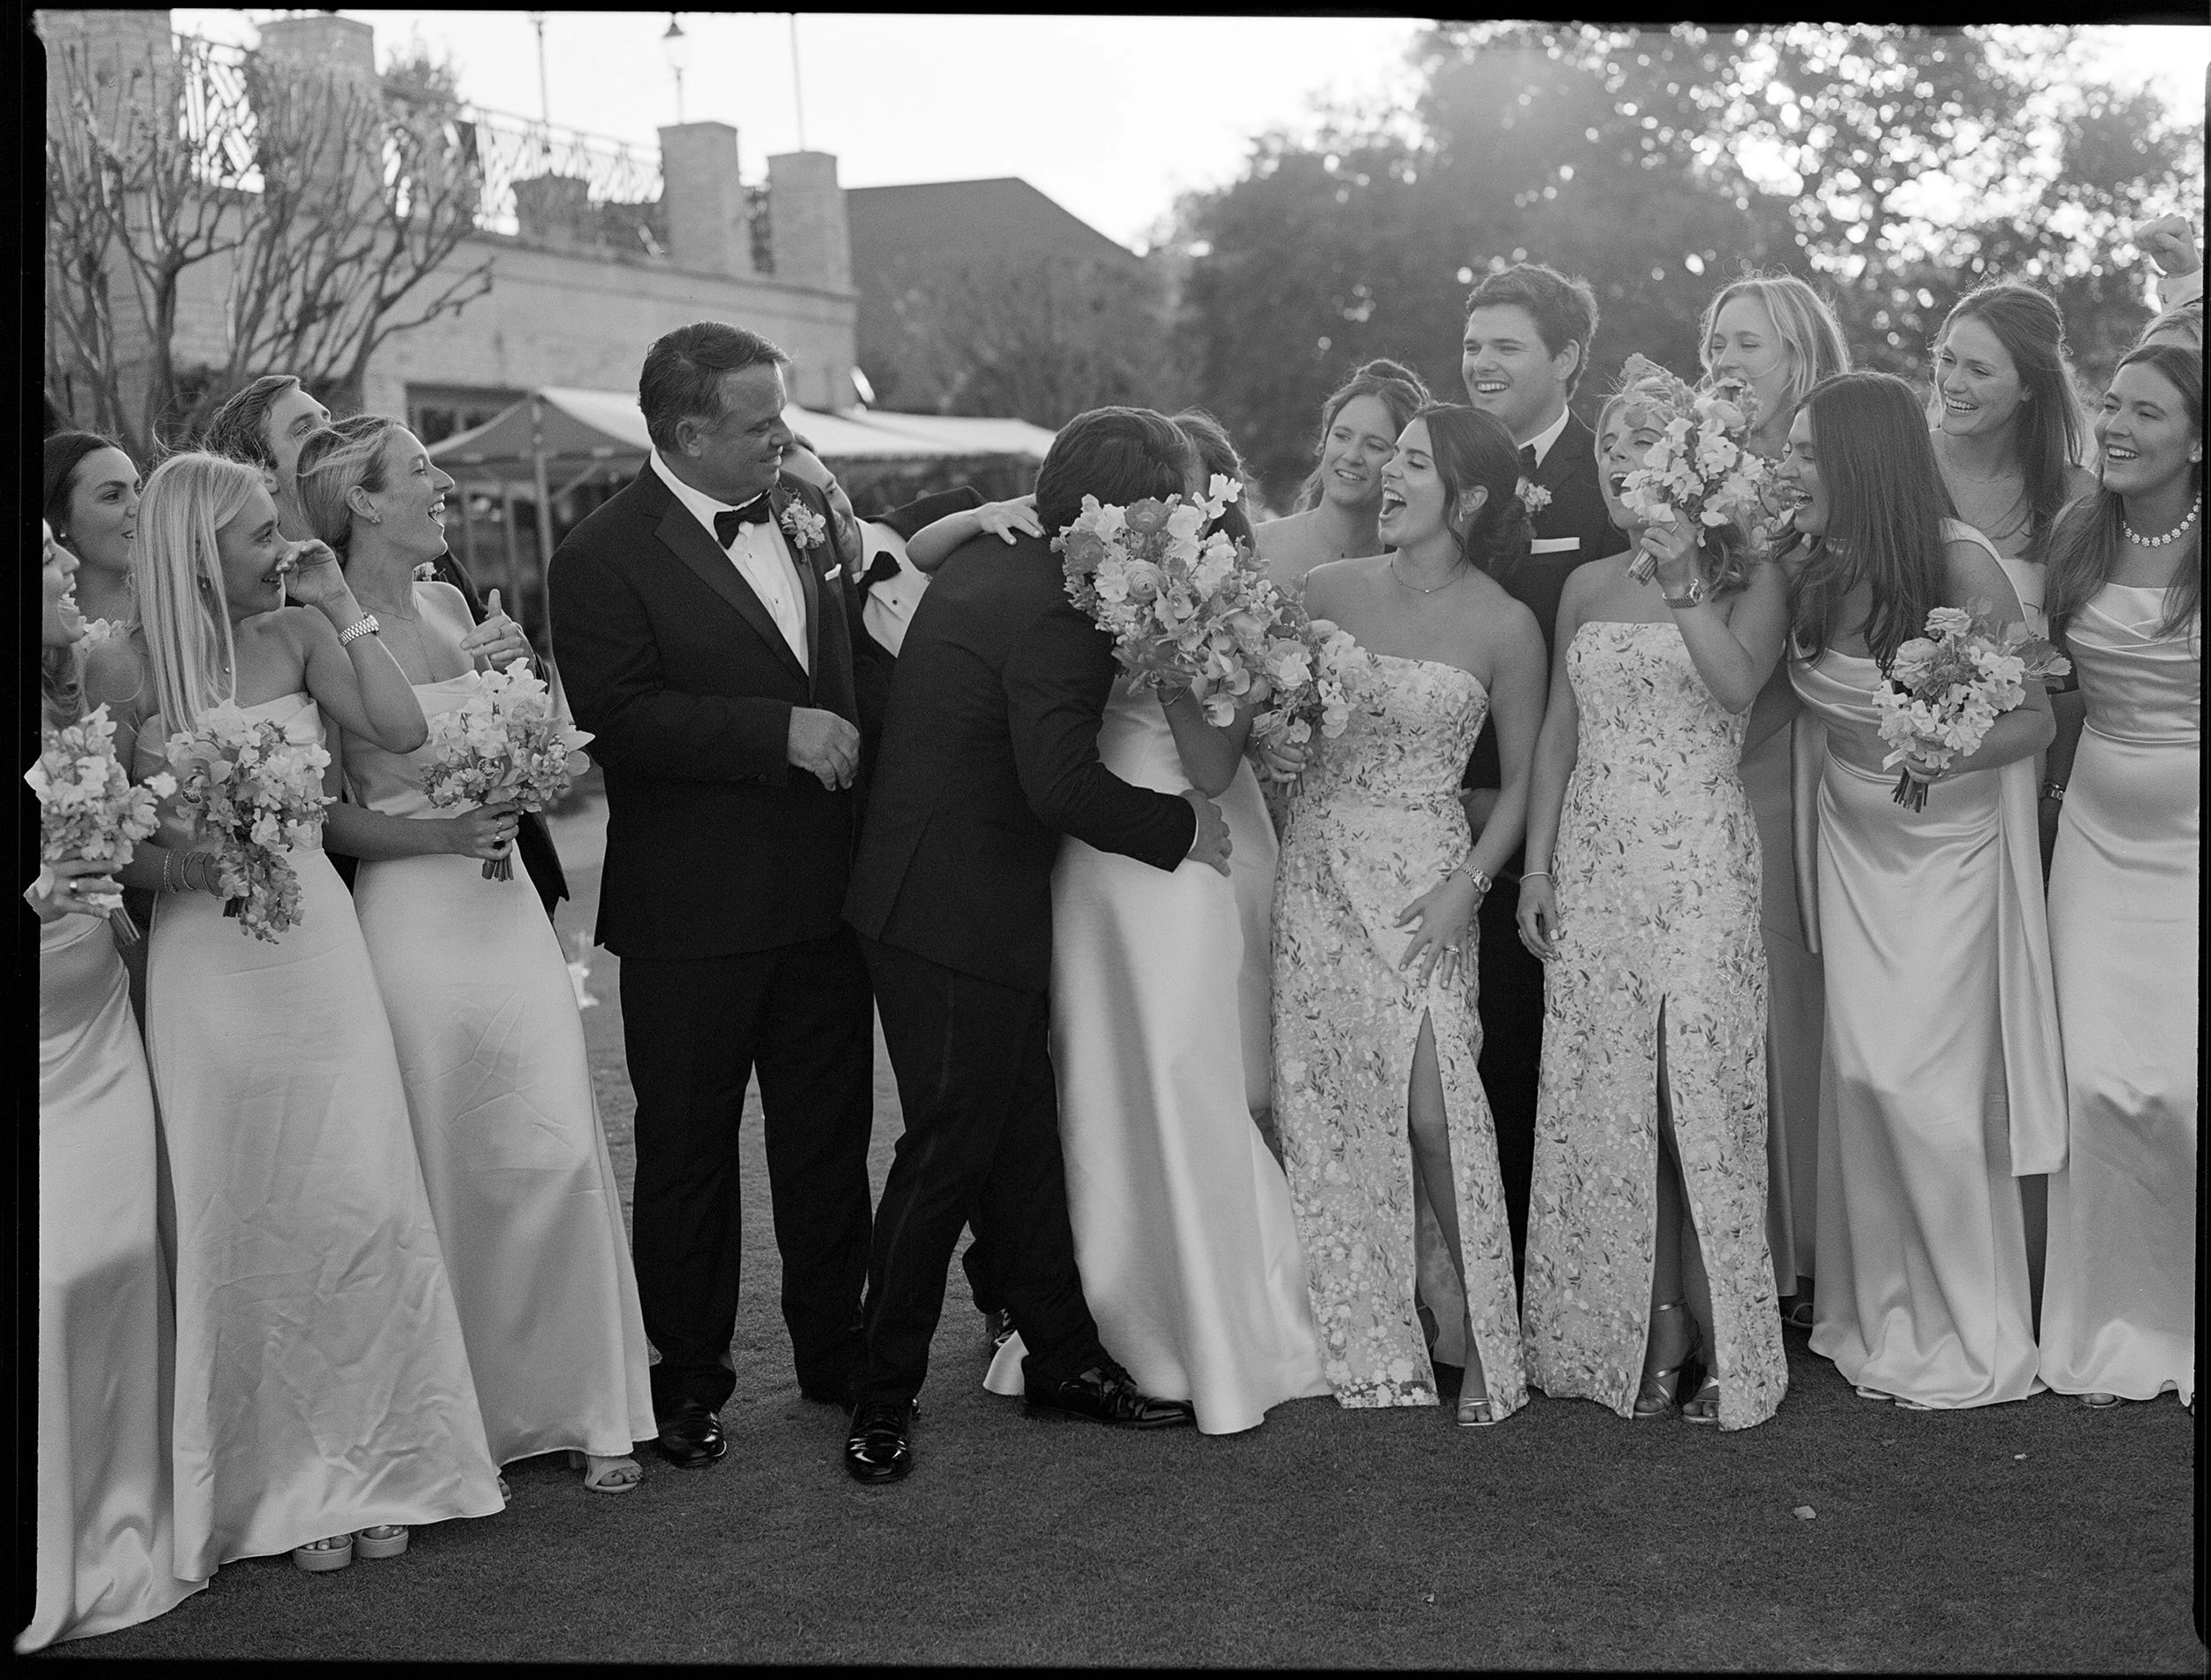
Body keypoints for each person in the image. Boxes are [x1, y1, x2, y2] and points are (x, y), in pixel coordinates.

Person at [90, 451, 502, 1573]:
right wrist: (190, 865)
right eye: (258, 533)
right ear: (196, 551)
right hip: (208, 971)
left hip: (319, 953)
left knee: (358, 1197)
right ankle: (269, 1481)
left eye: (279, 525)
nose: (281, 545)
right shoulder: (123, 670)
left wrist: (334, 603)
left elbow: (404, 734)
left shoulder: (300, 633)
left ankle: (386, 1462)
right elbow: (105, 846)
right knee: (242, 1213)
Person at [842, 406, 1228, 1483]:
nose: (1178, 519)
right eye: (1171, 500)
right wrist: (1182, 830)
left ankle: (1063, 1359)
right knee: (947, 1154)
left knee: (1018, 1143)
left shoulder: (1004, 557)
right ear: (1125, 505)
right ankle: (881, 1397)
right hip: (945, 912)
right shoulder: (1057, 604)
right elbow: (1056, 781)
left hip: (945, 899)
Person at [299, 416, 656, 1494]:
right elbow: (326, 814)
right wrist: (442, 836)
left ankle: (589, 1401)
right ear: (362, 500)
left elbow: (545, 759)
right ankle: (464, 1427)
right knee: (446, 1159)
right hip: (412, 916)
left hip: (507, 918)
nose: (442, 481)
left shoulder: (458, 604)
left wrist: (528, 680)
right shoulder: (313, 622)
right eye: (420, 471)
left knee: (550, 1146)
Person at [547, 322, 876, 1470]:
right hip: (692, 912)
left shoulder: (803, 515)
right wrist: (776, 732)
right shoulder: (598, 556)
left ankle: (840, 1354)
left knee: (829, 1140)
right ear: (688, 433)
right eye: (762, 423)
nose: (785, 440)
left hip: (826, 897)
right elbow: (619, 719)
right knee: (687, 1151)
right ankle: (686, 1383)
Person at [975, 410, 1331, 1434]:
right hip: (1095, 858)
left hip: (1181, 852)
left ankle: (1215, 1323)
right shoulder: (1088, 573)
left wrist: (1172, 643)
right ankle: (1090, 1329)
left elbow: (1217, 765)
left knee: (1183, 1076)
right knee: (1095, 1078)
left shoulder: (1217, 599)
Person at [1781, 371, 2063, 1411]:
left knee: (1928, 1093)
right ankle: (1882, 1309)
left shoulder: (1956, 563)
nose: (1789, 467)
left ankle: (1968, 1326)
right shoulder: (1807, 566)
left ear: (1860, 461)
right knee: (1860, 1079)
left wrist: (1943, 749)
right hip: (1850, 848)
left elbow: (2031, 720)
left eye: (1809, 452)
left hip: (1946, 856)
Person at [1515, 378, 1790, 1430]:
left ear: (1689, 457)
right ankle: (1650, 1325)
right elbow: (1554, 738)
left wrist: (1682, 581)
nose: (1619, 451)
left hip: (1699, 860)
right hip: (1594, 860)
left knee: (1700, 1100)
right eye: (1608, 441)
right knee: (1615, 1103)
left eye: (1644, 435)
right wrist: (1537, 869)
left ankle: (1730, 1331)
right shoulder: (1583, 585)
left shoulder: (1750, 572)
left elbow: (1736, 688)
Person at [1270, 403, 1547, 1424]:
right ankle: (1366, 1328)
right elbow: (1280, 725)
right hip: (1319, 871)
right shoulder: (1323, 590)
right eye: (1390, 456)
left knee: (1435, 1109)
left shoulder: (1506, 625)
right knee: (1335, 1103)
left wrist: (1467, 886)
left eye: (1414, 462)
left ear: (1466, 496)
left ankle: (1478, 1333)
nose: (1387, 473)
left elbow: (1520, 786)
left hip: (1428, 884)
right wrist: (1280, 745)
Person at [19, 523, 207, 1652]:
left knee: (128, 1254)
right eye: (41, 556)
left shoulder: (79, 690)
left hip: (98, 1014)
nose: (60, 569)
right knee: (59, 1271)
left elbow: (119, 847)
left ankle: (132, 1512)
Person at [201, 373, 570, 920]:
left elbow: (512, 703)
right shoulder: (290, 624)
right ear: (262, 477)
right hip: (391, 900)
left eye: (329, 419)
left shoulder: (440, 579)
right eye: (306, 430)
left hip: (514, 876)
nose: (332, 434)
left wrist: (518, 662)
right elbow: (323, 802)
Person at [2037, 340, 2201, 1411]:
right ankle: (2100, 1323)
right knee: (2092, 1082)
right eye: (2111, 405)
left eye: (2146, 412)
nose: (2118, 427)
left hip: (2193, 848)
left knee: (2182, 1089)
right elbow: (2049, 684)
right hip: (2094, 835)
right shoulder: (2076, 533)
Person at [1452, 263, 1623, 1281]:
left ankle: (1544, 1267)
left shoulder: (1608, 478)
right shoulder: (1437, 458)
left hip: (1563, 810)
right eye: (1473, 344)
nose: (1481, 362)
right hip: (1434, 796)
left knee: (1530, 1043)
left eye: (1506, 345)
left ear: (1564, 359)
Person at [1695, 270, 1852, 1322]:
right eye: (1716, 343)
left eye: (1746, 344)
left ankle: (1798, 1248)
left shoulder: (1827, 480)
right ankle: (1722, 1239)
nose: (1725, 363)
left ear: (1800, 358)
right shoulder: (1696, 475)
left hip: (1785, 760)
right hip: (1692, 754)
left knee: (1784, 994)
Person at [1926, 283, 2097, 627]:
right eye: (1948, 360)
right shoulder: (1900, 461)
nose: (1952, 383)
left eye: (1979, 370)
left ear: (2029, 386)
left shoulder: (2074, 494)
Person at [1254, 358, 1433, 597]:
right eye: (1342, 436)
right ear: (1323, 442)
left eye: (1374, 446)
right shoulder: (1255, 545)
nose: (1352, 456)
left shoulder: (1410, 578)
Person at [43, 432, 142, 630]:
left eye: (138, 490)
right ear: (61, 518)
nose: (139, 507)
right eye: (113, 496)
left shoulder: (183, 605)